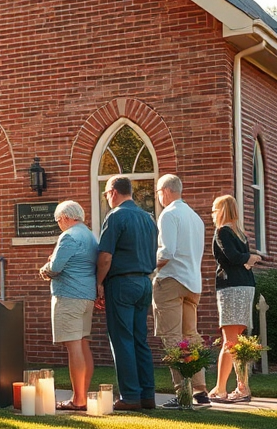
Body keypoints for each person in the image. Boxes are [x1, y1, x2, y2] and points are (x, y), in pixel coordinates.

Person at [95, 175, 158, 411]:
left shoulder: (115, 216)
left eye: (105, 194)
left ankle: (130, 396)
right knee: (140, 339)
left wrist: (98, 283)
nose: (106, 198)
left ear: (112, 192)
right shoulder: (149, 218)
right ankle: (147, 395)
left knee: (122, 340)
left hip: (121, 283)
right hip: (144, 282)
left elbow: (105, 257)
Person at [151, 174, 211, 409]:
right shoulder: (196, 217)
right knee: (191, 336)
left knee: (173, 338)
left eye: (157, 193)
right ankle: (200, 390)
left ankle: (182, 392)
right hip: (192, 282)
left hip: (171, 281)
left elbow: (166, 252)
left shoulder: (169, 214)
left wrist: (146, 266)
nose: (158, 198)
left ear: (165, 191)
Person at [39, 200, 98, 412]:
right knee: (82, 344)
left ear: (65, 217)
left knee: (74, 346)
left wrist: (45, 268)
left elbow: (55, 266)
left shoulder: (69, 236)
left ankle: (78, 400)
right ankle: (82, 396)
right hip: (86, 296)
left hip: (69, 296)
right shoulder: (90, 235)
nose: (59, 225)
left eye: (58, 221)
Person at [207, 195, 262, 404]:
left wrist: (248, 258)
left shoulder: (223, 232)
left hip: (231, 287)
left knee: (229, 341)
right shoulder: (240, 233)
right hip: (246, 285)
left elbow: (231, 257)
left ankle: (221, 389)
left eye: (214, 209)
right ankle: (242, 387)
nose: (212, 214)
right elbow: (242, 258)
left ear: (221, 211)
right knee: (236, 341)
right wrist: (250, 258)